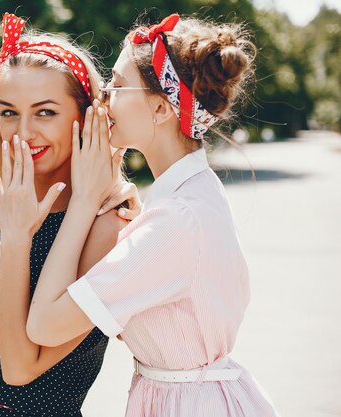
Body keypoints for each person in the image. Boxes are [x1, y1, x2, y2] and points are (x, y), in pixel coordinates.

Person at [23, 13, 279, 417]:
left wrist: (85, 202)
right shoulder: (192, 195)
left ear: (160, 108)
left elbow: (43, 326)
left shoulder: (175, 223)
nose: (103, 97)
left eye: (119, 85)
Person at [0, 13, 135, 416]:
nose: (22, 132)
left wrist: (17, 237)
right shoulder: (14, 190)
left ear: (86, 117)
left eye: (45, 112)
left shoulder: (106, 223)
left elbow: (19, 369)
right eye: (9, 112)